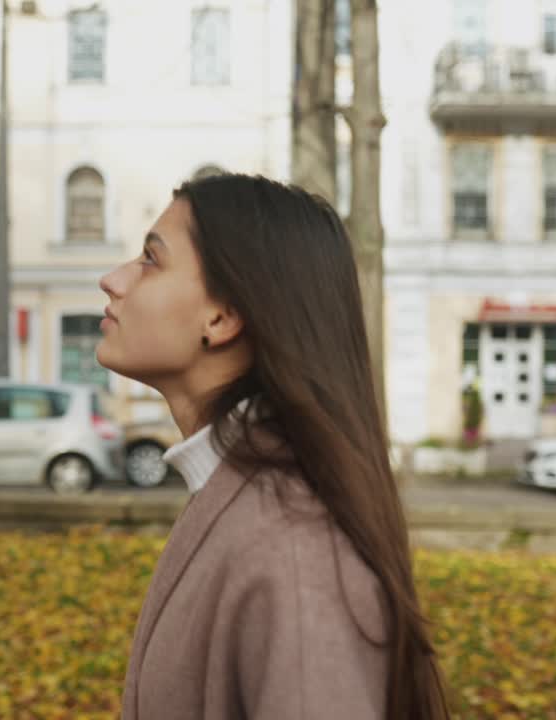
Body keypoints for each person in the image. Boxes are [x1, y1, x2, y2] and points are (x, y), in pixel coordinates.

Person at [97, 174, 451, 719]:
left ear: (223, 317)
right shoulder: (240, 492)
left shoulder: (290, 543)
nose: (114, 280)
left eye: (150, 260)